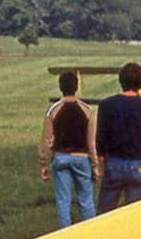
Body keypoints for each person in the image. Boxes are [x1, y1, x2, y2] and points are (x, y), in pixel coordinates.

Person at [40, 72, 98, 229]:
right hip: (81, 158)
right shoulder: (87, 110)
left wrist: (43, 163)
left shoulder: (53, 110)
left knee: (63, 200)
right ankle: (89, 232)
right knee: (86, 199)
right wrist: (94, 165)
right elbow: (91, 142)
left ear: (60, 88)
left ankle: (64, 233)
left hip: (60, 158)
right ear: (77, 87)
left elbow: (46, 140)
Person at [95, 62, 141, 213]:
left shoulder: (106, 105)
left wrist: (103, 167)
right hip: (139, 164)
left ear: (120, 81)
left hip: (114, 163)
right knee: (134, 215)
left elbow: (100, 142)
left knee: (104, 215)